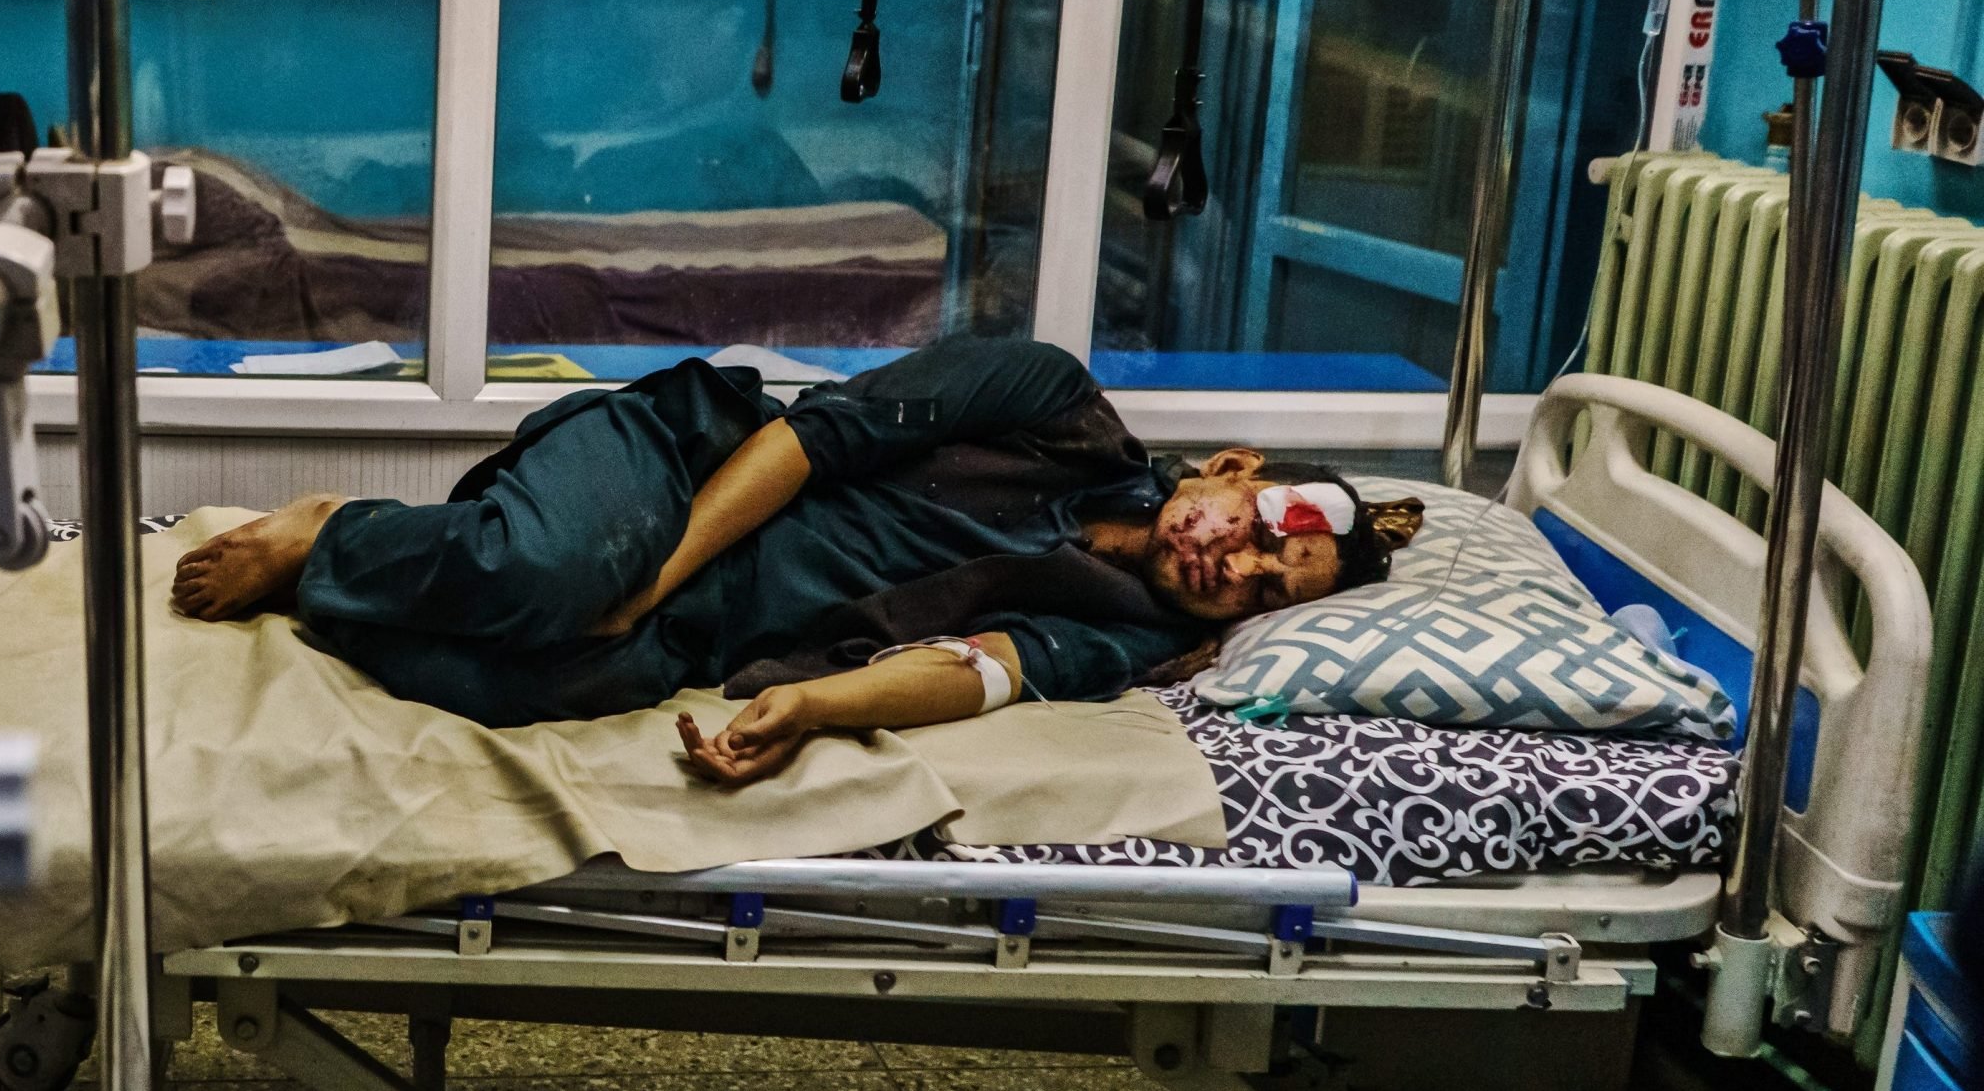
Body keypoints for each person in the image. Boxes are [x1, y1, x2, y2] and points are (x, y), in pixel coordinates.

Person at [171, 339, 1421, 786]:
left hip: (712, 633)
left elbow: (976, 670)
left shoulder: (1130, 636)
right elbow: (802, 440)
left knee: (510, 689)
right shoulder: (1049, 400)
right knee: (548, 582)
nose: (1238, 568)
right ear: (1234, 470)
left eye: (1266, 589)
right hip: (672, 469)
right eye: (1260, 535)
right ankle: (332, 529)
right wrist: (643, 580)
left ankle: (361, 583)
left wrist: (812, 708)